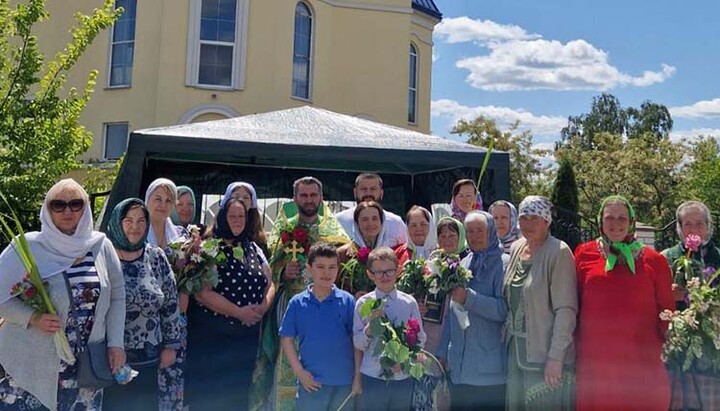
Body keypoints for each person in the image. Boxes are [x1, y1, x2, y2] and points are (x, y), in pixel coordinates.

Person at [0, 179, 126, 410]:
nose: (67, 211)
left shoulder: (100, 246)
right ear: (47, 210)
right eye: (58, 205)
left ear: (85, 208)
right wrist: (32, 317)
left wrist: (116, 343)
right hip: (32, 366)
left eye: (75, 204)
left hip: (85, 368)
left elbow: (117, 297)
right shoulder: (28, 246)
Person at [253, 176, 350, 411]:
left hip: (325, 308)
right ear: (294, 198)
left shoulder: (333, 230)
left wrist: (347, 253)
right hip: (292, 305)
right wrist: (284, 272)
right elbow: (269, 268)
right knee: (285, 361)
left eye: (313, 195)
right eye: (303, 195)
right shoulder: (283, 228)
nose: (309, 200)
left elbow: (346, 266)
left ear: (321, 197)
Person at [574, 195, 674, 411]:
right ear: (601, 221)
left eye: (622, 218)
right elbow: (575, 302)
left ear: (631, 222)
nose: (616, 224)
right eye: (609, 218)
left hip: (641, 362)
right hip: (597, 362)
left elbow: (666, 309)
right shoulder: (583, 253)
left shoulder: (654, 260)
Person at [186, 197, 275, 410]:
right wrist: (238, 312)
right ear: (222, 218)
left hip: (245, 340)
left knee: (237, 397)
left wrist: (263, 306)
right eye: (232, 216)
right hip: (214, 340)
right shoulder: (209, 248)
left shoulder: (253, 247)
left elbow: (270, 283)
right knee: (211, 398)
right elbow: (201, 292)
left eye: (241, 216)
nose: (237, 221)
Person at [104, 198, 182, 411]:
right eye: (128, 221)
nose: (135, 227)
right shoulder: (104, 256)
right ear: (117, 223)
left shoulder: (155, 257)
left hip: (150, 358)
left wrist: (171, 346)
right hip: (110, 358)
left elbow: (170, 303)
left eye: (140, 221)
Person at [503, 196, 577, 410]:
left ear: (547, 221)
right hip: (516, 353)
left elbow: (566, 310)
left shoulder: (559, 252)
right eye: (524, 218)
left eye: (535, 218)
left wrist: (556, 357)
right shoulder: (517, 247)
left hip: (545, 356)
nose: (528, 224)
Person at [437, 211, 508, 411]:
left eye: (480, 231)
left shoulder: (504, 263)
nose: (474, 236)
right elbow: (452, 312)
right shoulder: (464, 262)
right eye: (470, 231)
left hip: (489, 372)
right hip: (459, 369)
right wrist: (443, 352)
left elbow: (505, 310)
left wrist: (469, 298)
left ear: (491, 232)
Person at [279, 243, 361, 410]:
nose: (326, 273)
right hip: (311, 382)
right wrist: (299, 372)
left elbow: (356, 341)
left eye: (332, 267)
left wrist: (357, 378)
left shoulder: (347, 301)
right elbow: (286, 338)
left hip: (343, 382)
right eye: (320, 267)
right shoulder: (297, 302)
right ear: (309, 269)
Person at [353, 247, 426, 410]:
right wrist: (369, 329)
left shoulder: (409, 303)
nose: (384, 276)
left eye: (389, 271)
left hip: (401, 377)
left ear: (398, 271)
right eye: (378, 272)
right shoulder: (363, 303)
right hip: (373, 375)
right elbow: (357, 343)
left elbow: (420, 339)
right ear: (370, 274)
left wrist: (405, 360)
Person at [144, 178, 187, 409]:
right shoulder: (136, 232)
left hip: (175, 318)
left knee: (171, 377)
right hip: (144, 321)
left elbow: (189, 276)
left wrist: (185, 293)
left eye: (168, 200)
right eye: (157, 198)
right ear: (147, 200)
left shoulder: (181, 238)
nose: (162, 204)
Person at [661, 200, 720, 310]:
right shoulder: (666, 257)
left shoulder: (718, 256)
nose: (693, 229)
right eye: (687, 224)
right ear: (680, 228)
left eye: (699, 223)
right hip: (677, 322)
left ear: (708, 226)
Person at [336, 173, 407, 247]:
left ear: (381, 193)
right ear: (355, 192)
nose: (368, 193)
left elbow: (407, 252)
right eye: (363, 189)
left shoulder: (396, 223)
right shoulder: (339, 221)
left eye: (373, 189)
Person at [219, 182, 269, 256]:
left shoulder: (258, 239)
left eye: (246, 197)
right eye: (236, 196)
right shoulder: (215, 237)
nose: (241, 200)